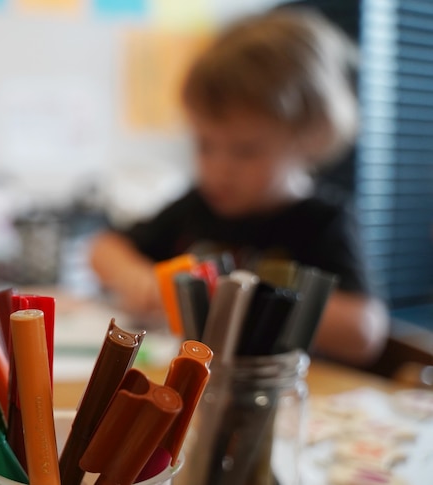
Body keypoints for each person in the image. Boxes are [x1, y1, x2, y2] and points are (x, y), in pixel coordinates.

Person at [90, 9, 388, 366]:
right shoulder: (200, 205)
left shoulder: (322, 222)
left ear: (309, 137)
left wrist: (240, 301)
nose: (218, 169)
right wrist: (137, 279)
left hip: (283, 395)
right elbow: (103, 248)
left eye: (245, 151)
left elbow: (365, 331)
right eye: (205, 145)